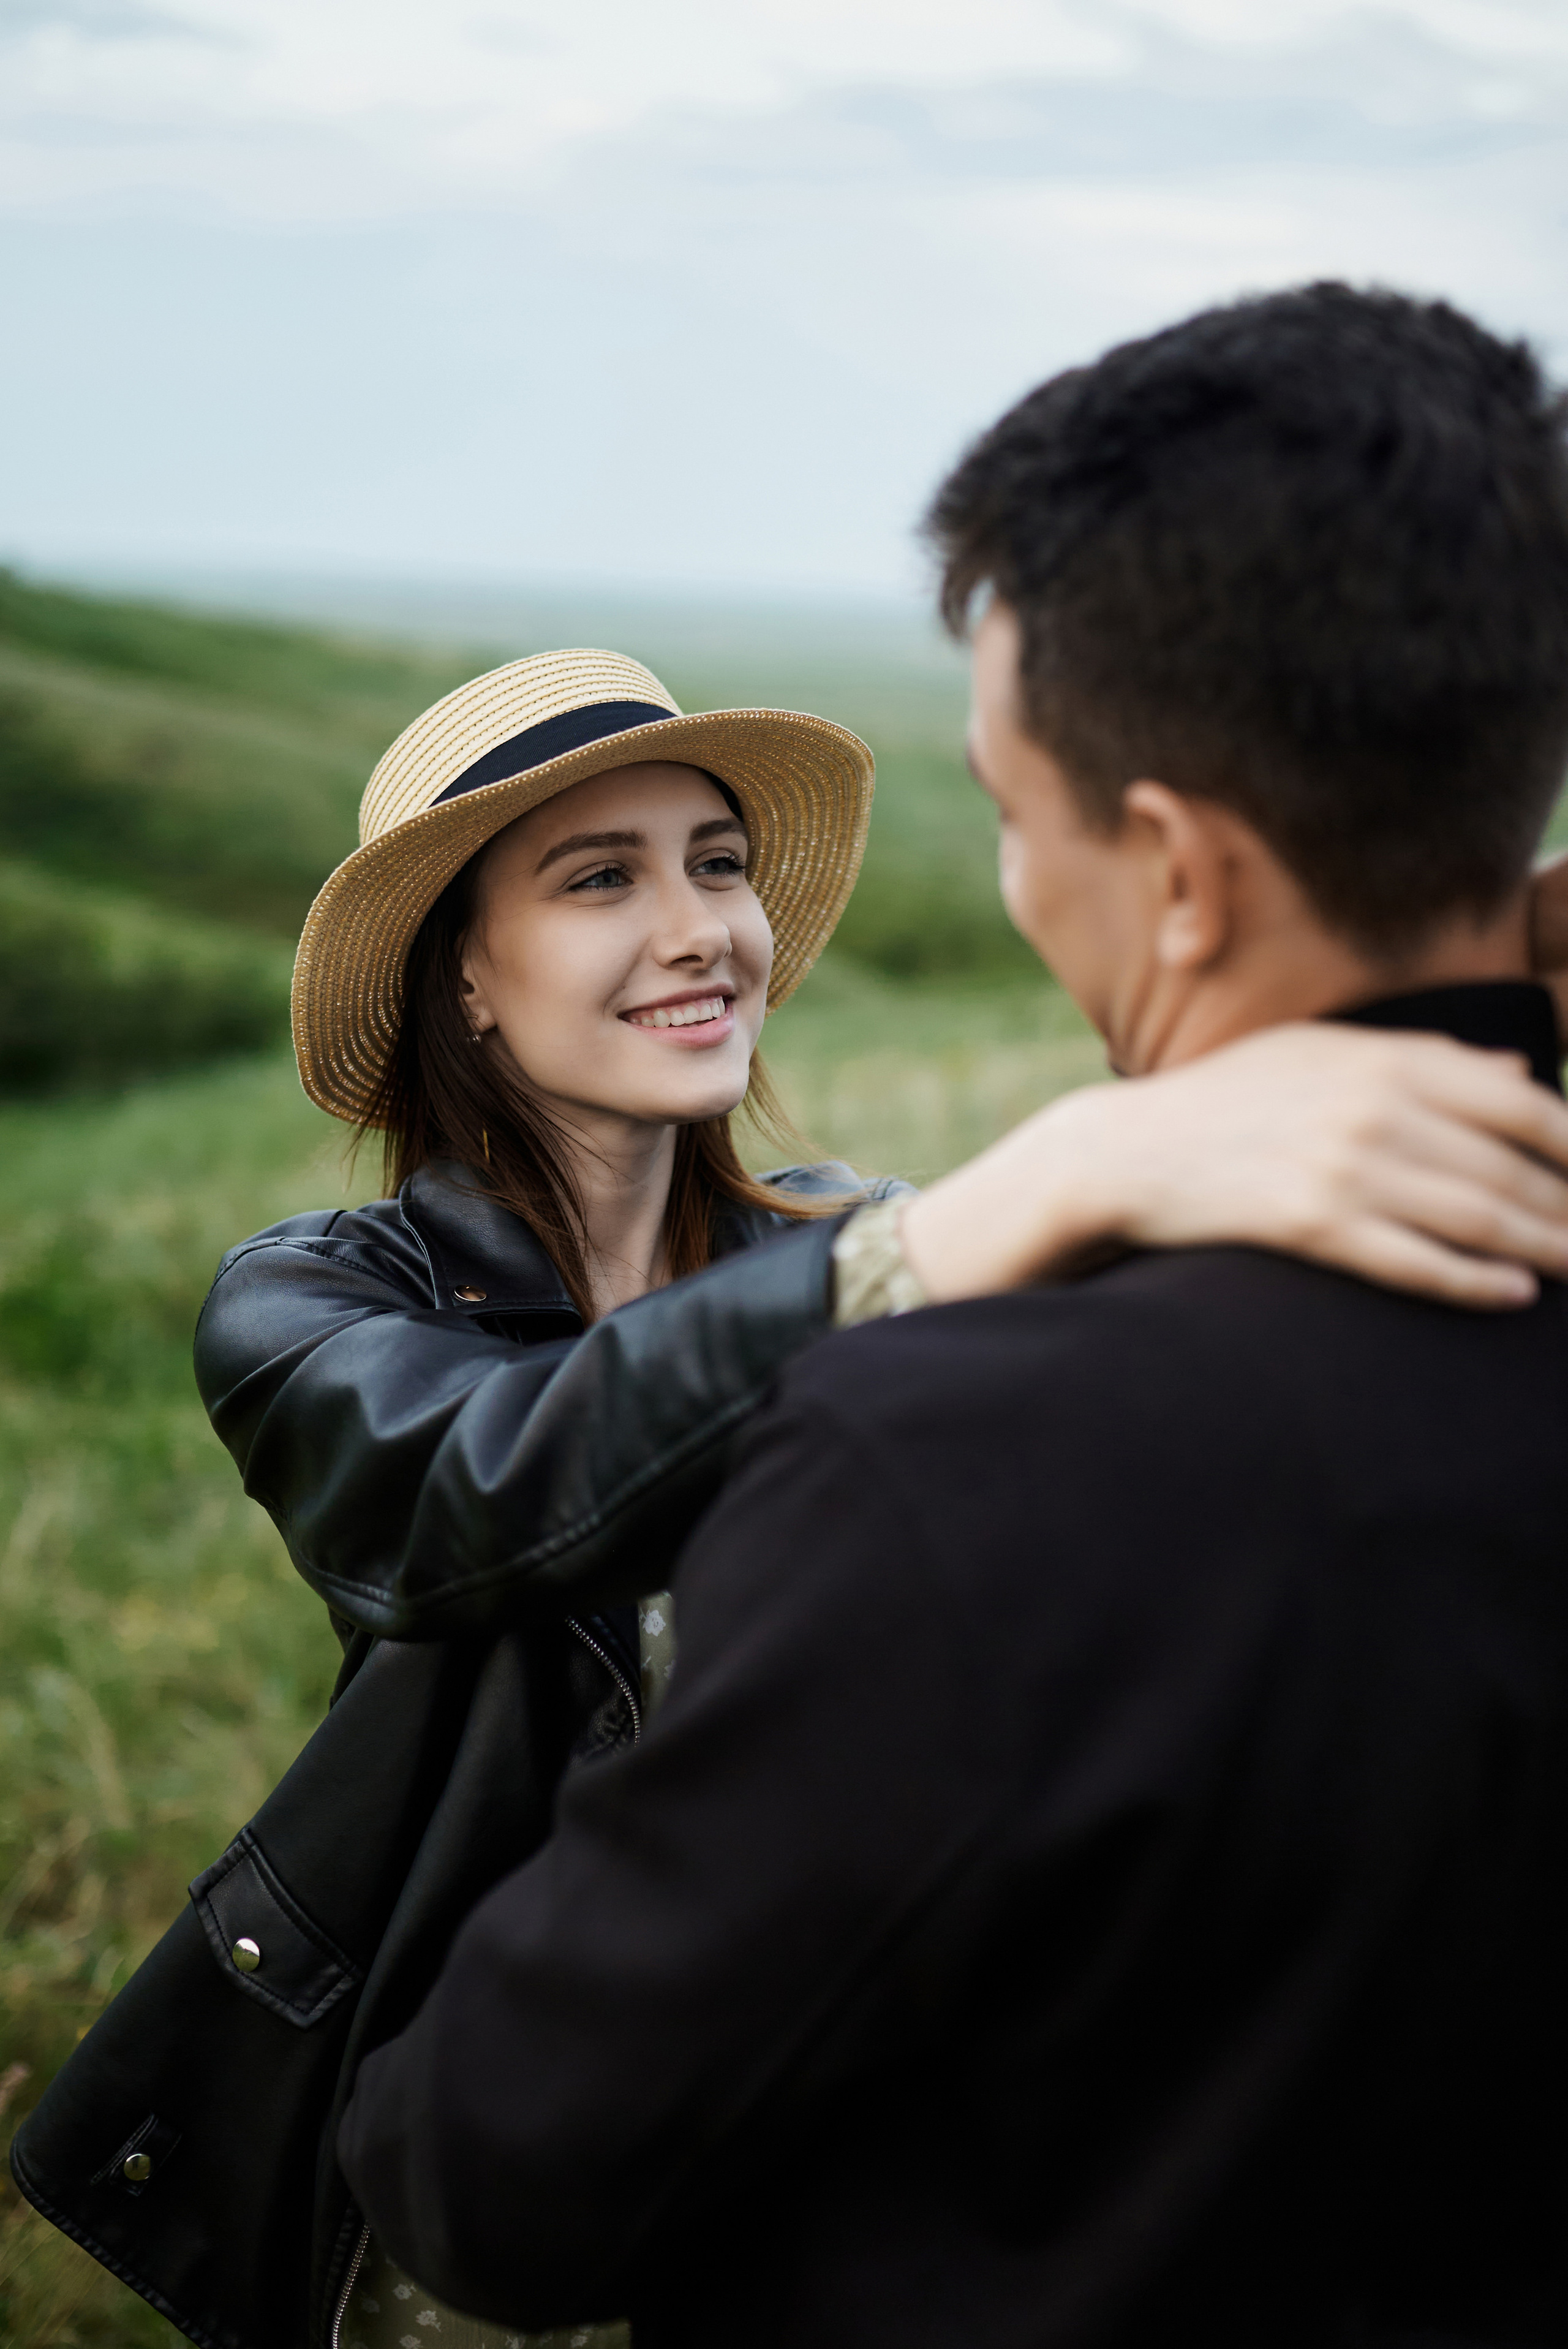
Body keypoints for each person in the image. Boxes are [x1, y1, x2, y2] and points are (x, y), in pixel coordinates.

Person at [336, 284, 1568, 2348]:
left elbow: (491, 2173)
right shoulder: (346, 1293)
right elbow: (461, 1479)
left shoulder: (952, 1456)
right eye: (590, 881)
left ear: (1175, 874)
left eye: (1011, 808)